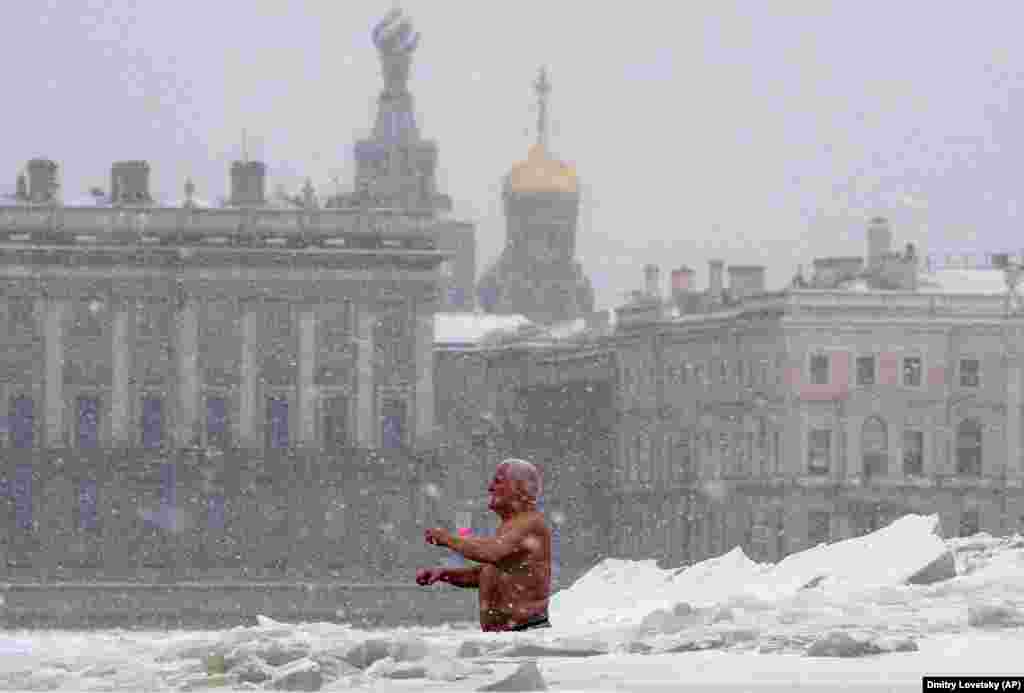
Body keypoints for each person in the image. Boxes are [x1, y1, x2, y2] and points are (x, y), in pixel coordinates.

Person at [416, 458, 552, 632]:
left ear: (521, 488)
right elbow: (489, 572)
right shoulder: (511, 526)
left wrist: (447, 539)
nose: (490, 488)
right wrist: (444, 574)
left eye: (498, 481)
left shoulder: (530, 523)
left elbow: (491, 552)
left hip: (527, 632)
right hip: (511, 635)